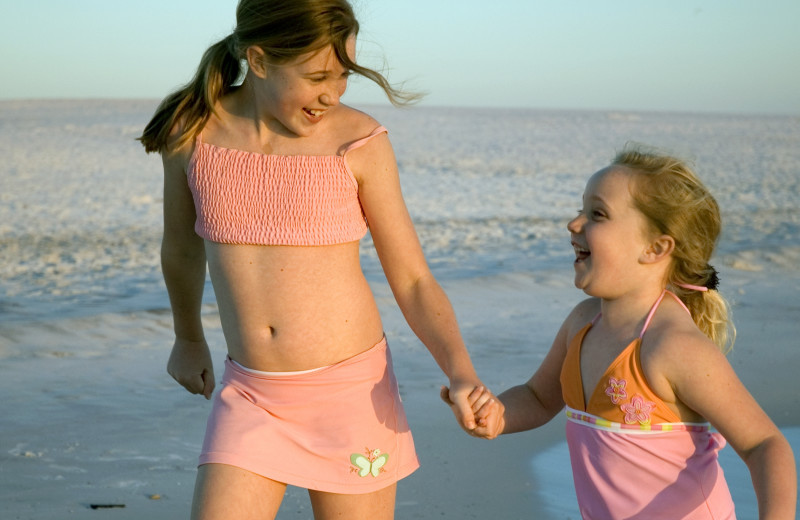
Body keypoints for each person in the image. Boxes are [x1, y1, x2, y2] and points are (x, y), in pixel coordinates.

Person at [138, 1, 487, 518]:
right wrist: (187, 337)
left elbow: (413, 280)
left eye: (343, 75)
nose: (332, 92)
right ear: (258, 61)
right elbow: (181, 247)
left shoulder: (358, 142)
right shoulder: (192, 131)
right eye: (317, 76)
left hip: (351, 395)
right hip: (250, 394)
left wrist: (461, 371)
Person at [444, 146, 797, 519]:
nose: (574, 223)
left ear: (655, 248)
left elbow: (764, 444)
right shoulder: (582, 323)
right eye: (581, 209)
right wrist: (496, 415)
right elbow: (538, 397)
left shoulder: (672, 346)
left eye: (597, 214)